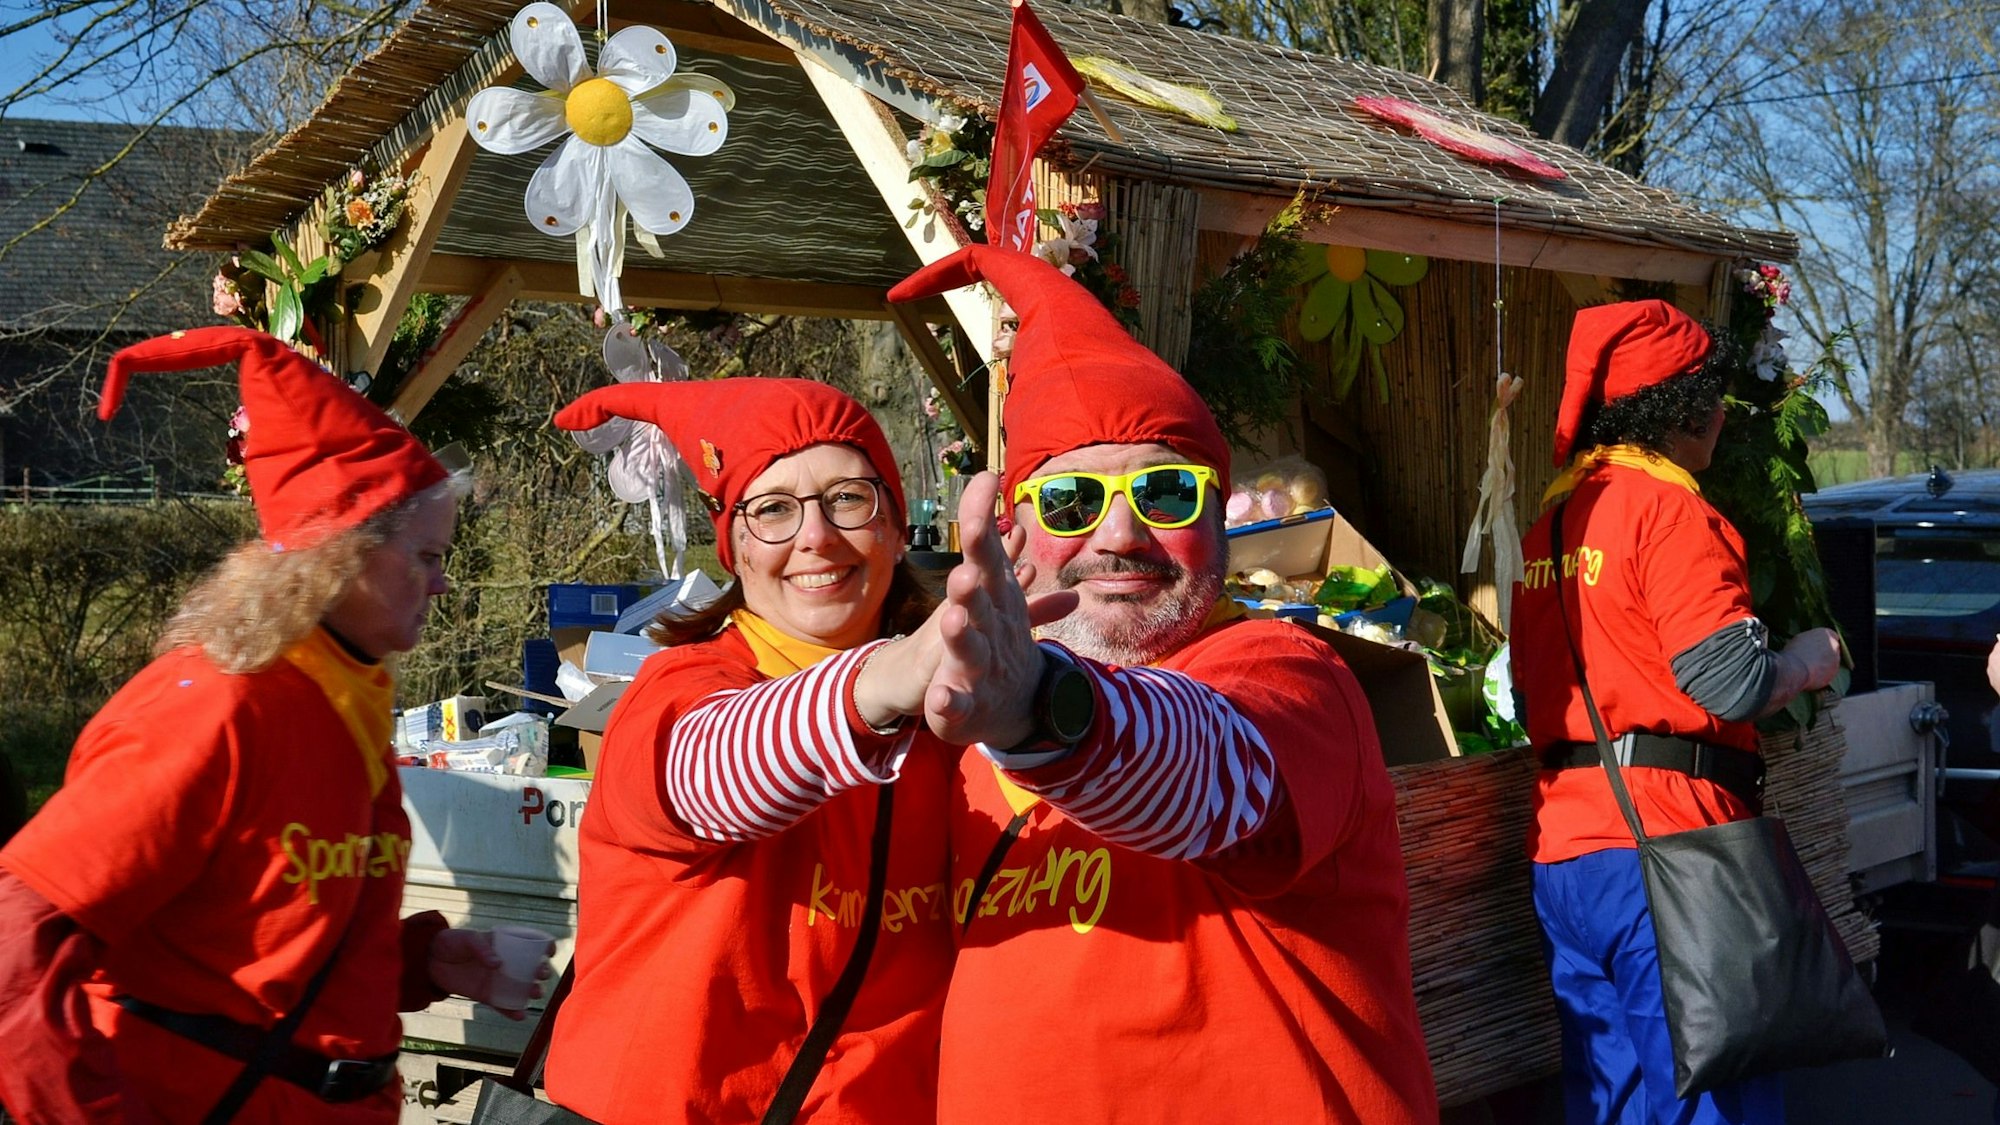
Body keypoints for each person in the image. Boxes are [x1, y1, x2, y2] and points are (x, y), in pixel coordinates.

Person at [888, 246, 1439, 1124]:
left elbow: (1217, 772)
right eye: (1072, 500)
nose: (1121, 534)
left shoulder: (1287, 672)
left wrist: (1041, 711)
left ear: (1219, 516)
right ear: (1014, 531)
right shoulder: (962, 731)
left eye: (1167, 491)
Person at [0, 327, 542, 1124]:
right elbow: (18, 945)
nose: (443, 583)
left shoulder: (345, 697)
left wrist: (421, 958)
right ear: (341, 555)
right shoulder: (214, 708)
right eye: (427, 557)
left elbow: (255, 941)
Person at [540, 379, 1069, 1123]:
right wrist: (874, 685)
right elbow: (704, 774)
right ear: (734, 548)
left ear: (896, 528)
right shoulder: (677, 692)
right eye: (773, 509)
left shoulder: (960, 719)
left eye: (848, 498)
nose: (815, 536)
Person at [1508, 300, 1842, 1125]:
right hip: (1671, 851)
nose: (1723, 415)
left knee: (1613, 1102)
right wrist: (1808, 660)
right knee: (1715, 1100)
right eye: (1715, 398)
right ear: (1685, 409)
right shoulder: (1668, 510)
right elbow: (1729, 682)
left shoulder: (1550, 525)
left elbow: (1525, 693)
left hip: (1566, 854)